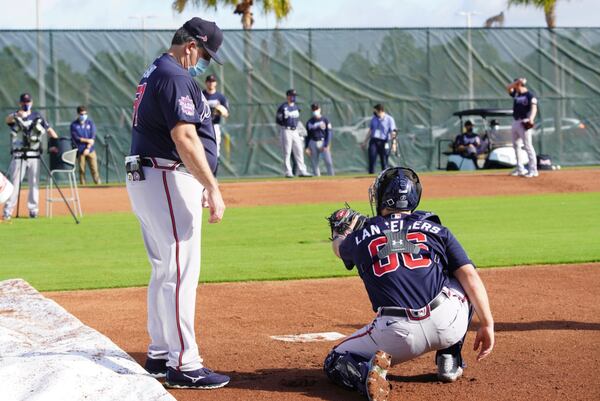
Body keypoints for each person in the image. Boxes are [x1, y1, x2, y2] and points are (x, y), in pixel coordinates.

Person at [324, 167, 494, 401]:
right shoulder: (437, 230)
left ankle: (365, 377)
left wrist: (341, 233)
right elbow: (471, 278)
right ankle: (449, 359)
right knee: (461, 277)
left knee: (335, 360)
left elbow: (339, 249)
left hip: (395, 335)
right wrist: (488, 324)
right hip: (447, 324)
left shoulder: (362, 236)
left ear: (382, 196)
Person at [126, 17, 229, 390]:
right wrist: (213, 187)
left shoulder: (156, 69)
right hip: (166, 174)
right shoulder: (174, 75)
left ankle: (159, 352)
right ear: (191, 46)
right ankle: (184, 362)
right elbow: (185, 137)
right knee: (181, 270)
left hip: (151, 176)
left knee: (164, 268)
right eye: (204, 55)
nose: (202, 64)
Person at [3, 93, 59, 220]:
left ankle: (33, 210)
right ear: (20, 103)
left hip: (34, 153)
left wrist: (57, 142)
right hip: (18, 154)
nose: (26, 104)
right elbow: (7, 120)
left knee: (34, 183)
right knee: (15, 184)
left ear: (32, 103)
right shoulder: (16, 115)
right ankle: (8, 210)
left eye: (28, 102)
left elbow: (49, 130)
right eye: (23, 102)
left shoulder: (37, 116)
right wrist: (17, 114)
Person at [506, 77, 538, 178]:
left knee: (528, 146)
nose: (513, 87)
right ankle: (520, 169)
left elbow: (534, 107)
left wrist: (531, 119)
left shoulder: (529, 95)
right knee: (516, 146)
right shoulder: (516, 94)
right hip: (516, 121)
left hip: (524, 121)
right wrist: (517, 82)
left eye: (515, 85)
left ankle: (533, 170)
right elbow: (508, 88)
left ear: (519, 86)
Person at [275, 89, 311, 178]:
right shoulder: (283, 107)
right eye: (291, 95)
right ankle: (288, 172)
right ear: (287, 96)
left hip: (295, 131)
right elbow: (278, 120)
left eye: (294, 96)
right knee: (287, 152)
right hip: (286, 130)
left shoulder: (296, 107)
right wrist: (285, 126)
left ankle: (302, 171)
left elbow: (297, 120)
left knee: (299, 150)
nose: (293, 97)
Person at [70, 105, 101, 185]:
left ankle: (98, 186)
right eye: (81, 114)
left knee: (94, 170)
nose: (83, 116)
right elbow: (76, 138)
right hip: (80, 151)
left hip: (90, 150)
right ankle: (83, 187)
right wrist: (87, 141)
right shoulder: (74, 125)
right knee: (81, 171)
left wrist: (88, 147)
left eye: (85, 114)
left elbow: (92, 137)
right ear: (78, 114)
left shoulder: (90, 123)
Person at [363, 104, 397, 174]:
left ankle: (384, 178)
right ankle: (370, 176)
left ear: (380, 111)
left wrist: (394, 144)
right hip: (374, 141)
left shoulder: (389, 119)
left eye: (375, 111)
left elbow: (393, 132)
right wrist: (365, 141)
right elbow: (370, 130)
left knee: (384, 161)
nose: (374, 113)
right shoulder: (374, 118)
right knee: (371, 159)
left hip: (384, 142)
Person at [201, 74, 229, 157]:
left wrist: (221, 111)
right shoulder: (201, 95)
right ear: (206, 82)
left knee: (216, 147)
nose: (211, 83)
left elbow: (226, 114)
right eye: (209, 81)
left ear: (216, 83)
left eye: (213, 81)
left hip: (215, 125)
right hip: (203, 125)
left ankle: (215, 165)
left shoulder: (220, 97)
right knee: (202, 146)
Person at [304, 103, 334, 176]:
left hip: (323, 141)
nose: (315, 110)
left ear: (320, 109)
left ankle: (332, 178)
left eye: (316, 109)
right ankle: (317, 181)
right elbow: (307, 136)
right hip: (313, 142)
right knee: (315, 163)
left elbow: (329, 133)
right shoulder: (309, 122)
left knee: (328, 162)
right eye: (314, 109)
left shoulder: (325, 120)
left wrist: (326, 145)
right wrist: (307, 147)